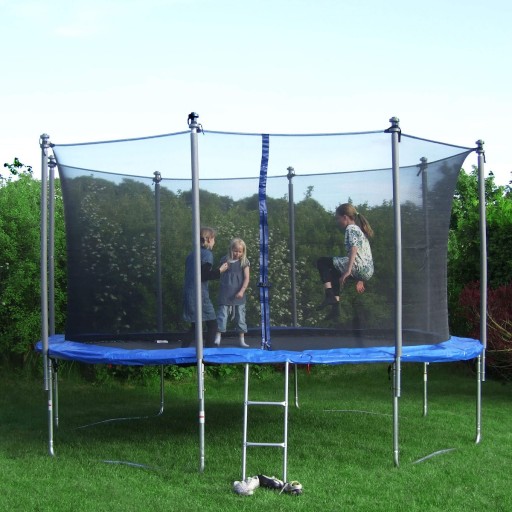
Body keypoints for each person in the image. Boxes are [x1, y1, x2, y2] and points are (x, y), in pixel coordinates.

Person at [316, 203, 374, 312]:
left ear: (345, 217)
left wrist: (348, 270)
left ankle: (329, 295)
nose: (337, 222)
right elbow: (364, 254)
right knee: (334, 271)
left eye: (338, 218)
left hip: (359, 268)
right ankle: (335, 307)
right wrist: (360, 278)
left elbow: (354, 249)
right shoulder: (358, 230)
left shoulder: (350, 229)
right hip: (367, 271)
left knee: (322, 261)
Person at [182, 227, 228, 348]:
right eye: (214, 239)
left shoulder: (192, 254)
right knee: (212, 324)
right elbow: (203, 275)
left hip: (189, 293)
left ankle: (182, 349)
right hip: (199, 294)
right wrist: (220, 270)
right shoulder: (207, 254)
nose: (214, 242)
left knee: (195, 326)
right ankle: (209, 350)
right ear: (208, 239)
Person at [214, 238, 250, 348]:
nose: (237, 254)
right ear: (231, 249)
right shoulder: (225, 260)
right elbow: (219, 272)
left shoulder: (244, 262)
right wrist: (221, 269)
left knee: (240, 317)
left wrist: (242, 291)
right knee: (222, 315)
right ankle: (218, 337)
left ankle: (242, 339)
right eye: (235, 251)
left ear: (243, 252)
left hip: (238, 294)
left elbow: (247, 278)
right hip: (225, 293)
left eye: (240, 251)